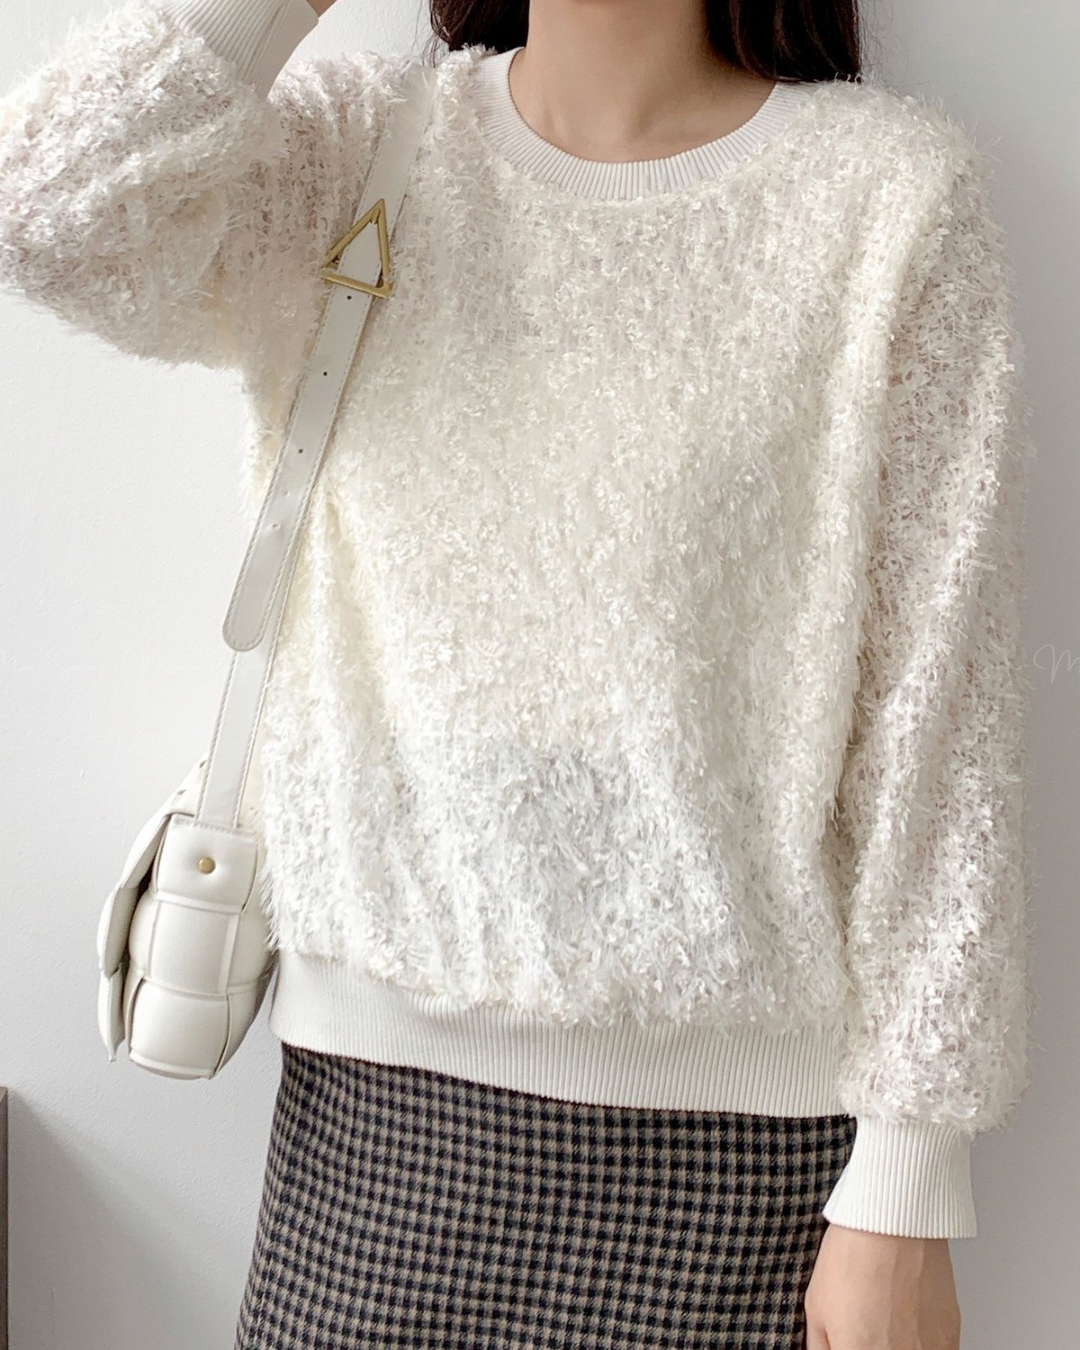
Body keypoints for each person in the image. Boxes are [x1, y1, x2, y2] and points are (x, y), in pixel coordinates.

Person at [0, 0, 1036, 1346]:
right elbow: (51, 210)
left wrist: (908, 1176)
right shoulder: (356, 150)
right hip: (368, 1147)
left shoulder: (888, 198)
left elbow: (940, 723)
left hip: (743, 1168)